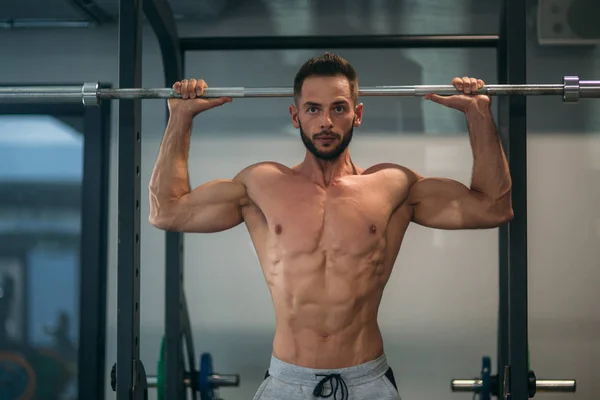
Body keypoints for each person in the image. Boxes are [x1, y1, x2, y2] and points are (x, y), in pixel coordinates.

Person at [148, 53, 513, 400]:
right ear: (295, 115)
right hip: (287, 381)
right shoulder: (260, 185)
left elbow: (493, 208)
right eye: (313, 109)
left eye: (338, 108)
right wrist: (180, 118)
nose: (326, 122)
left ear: (357, 114)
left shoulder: (393, 186)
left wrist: (477, 114)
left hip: (366, 379)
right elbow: (167, 211)